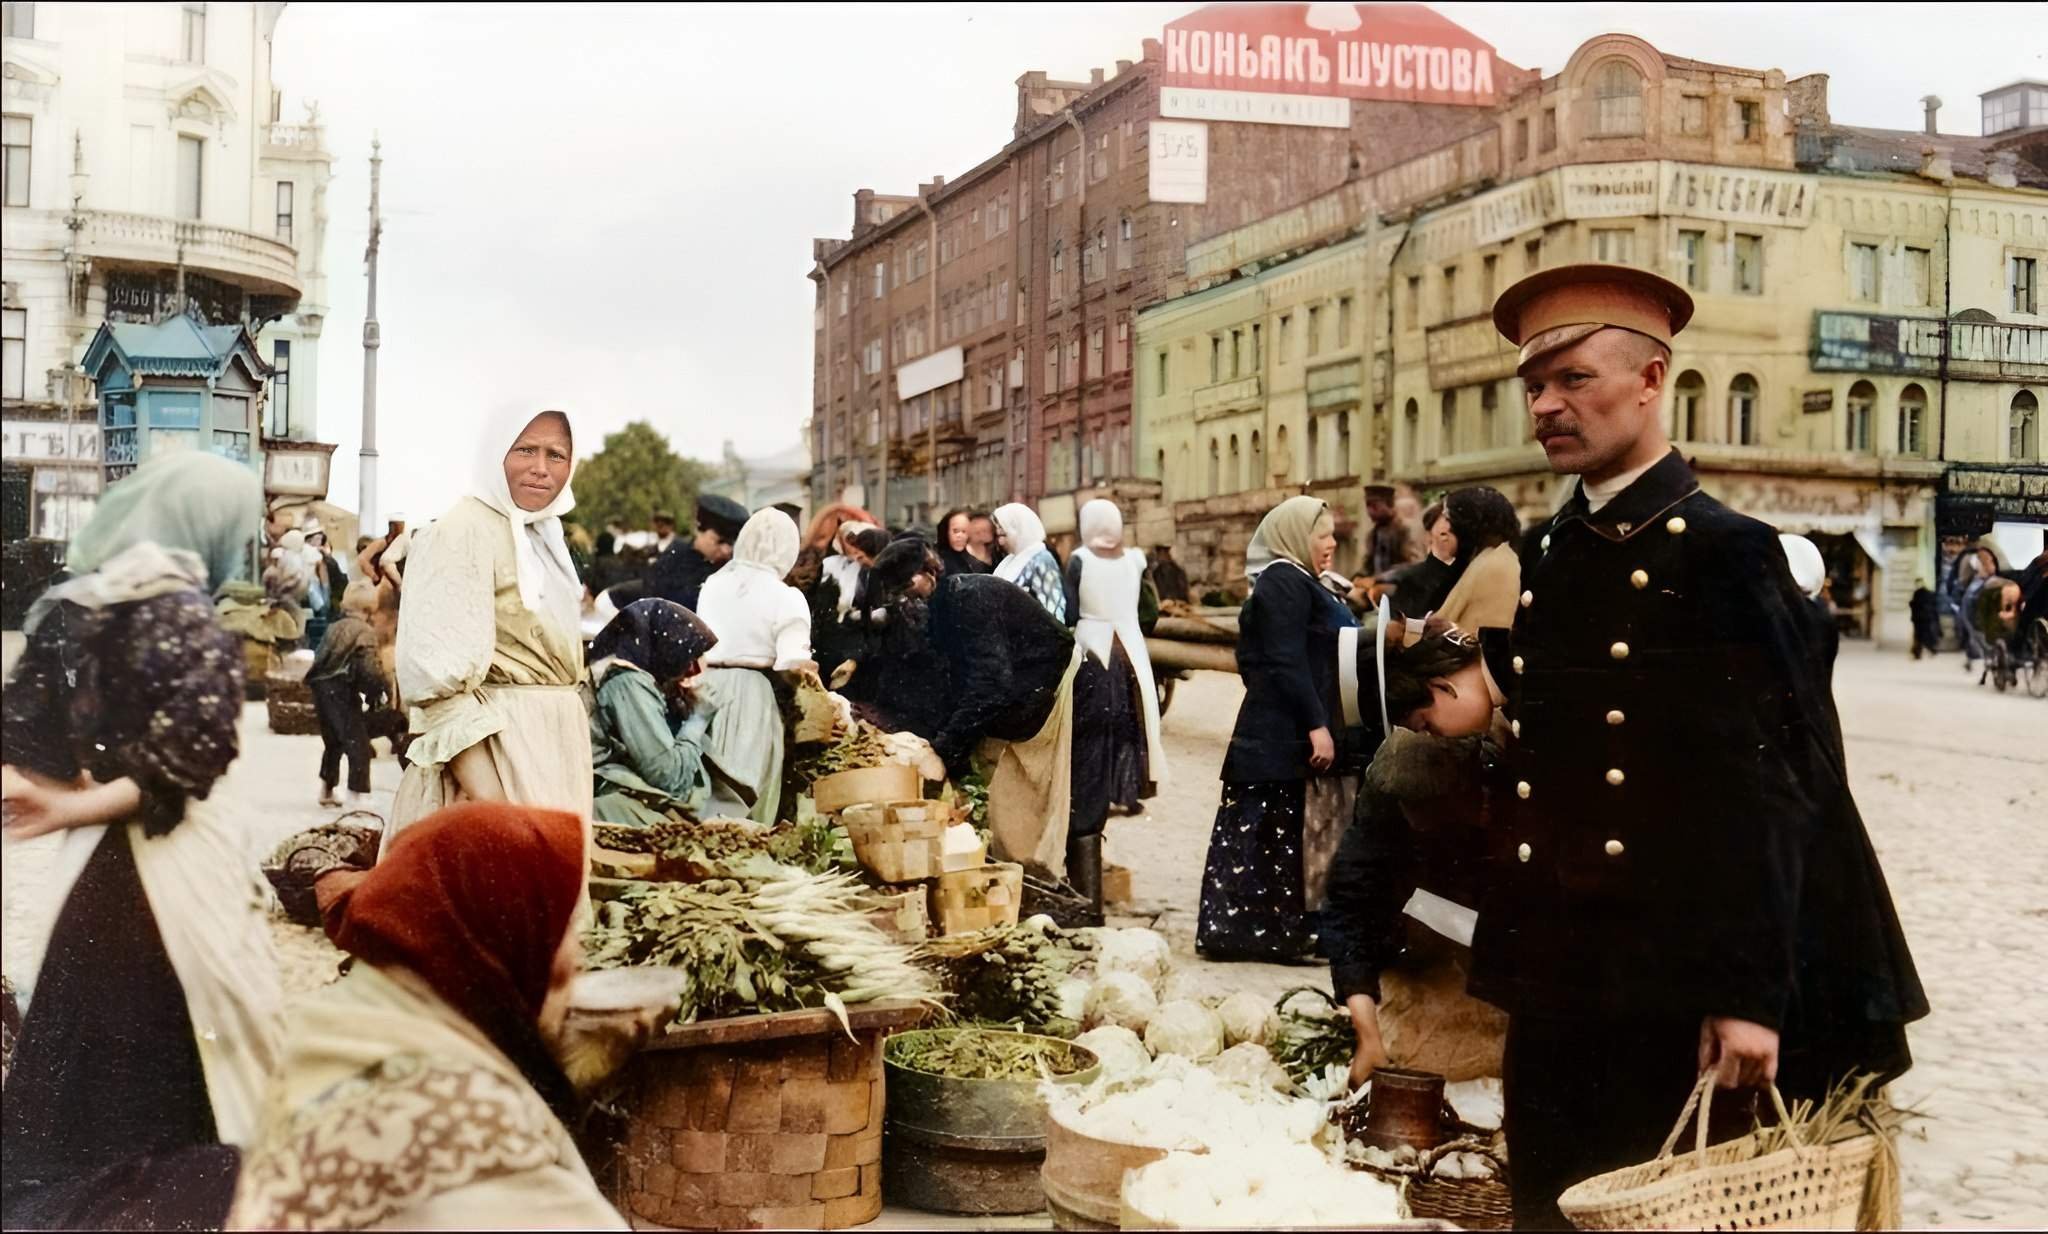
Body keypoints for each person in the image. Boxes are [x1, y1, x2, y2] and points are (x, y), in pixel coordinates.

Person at [1483, 262, 1926, 1226]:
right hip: (1562, 976)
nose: (1547, 405)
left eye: (1574, 379)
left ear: (1652, 382)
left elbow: (1778, 789)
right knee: (1546, 1207)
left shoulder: (1727, 553)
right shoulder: (1551, 552)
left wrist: (1750, 994)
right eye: (1534, 385)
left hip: (1674, 984)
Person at [1, 451, 284, 1230]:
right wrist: (76, 810)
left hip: (91, 885)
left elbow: (26, 744)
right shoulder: (187, 617)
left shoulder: (72, 610)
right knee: (185, 1066)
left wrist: (63, 800)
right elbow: (186, 760)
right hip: (177, 880)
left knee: (78, 1068)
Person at [229, 803, 626, 1230]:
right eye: (560, 927)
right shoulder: (477, 1137)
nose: (578, 956)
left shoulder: (329, 1028)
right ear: (499, 943)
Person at [389, 407, 591, 844]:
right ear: (495, 453)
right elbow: (438, 689)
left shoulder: (544, 536)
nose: (541, 468)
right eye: (525, 450)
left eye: (556, 455)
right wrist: (494, 806)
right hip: (497, 764)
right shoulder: (462, 531)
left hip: (550, 758)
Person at [1325, 623, 1509, 1091]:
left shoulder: (1504, 781)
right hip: (1430, 955)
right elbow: (1350, 902)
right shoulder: (1390, 795)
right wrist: (1367, 1029)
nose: (1424, 823)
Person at [1197, 496, 1364, 963]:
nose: (1331, 543)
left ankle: (1270, 933)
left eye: (1332, 534)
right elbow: (1284, 659)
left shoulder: (1297, 581)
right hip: (1279, 732)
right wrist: (1316, 724)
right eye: (1322, 535)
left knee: (1275, 833)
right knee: (1267, 833)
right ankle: (1252, 935)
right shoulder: (1285, 583)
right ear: (1296, 537)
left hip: (1279, 729)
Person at [872, 539, 1079, 878]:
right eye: (896, 593)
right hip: (1017, 691)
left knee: (1029, 802)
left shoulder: (970, 598)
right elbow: (952, 678)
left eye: (908, 586)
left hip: (1050, 684)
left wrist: (945, 747)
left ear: (929, 572)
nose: (904, 598)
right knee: (1004, 799)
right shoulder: (939, 608)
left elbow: (990, 683)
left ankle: (1043, 881)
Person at [1062, 500, 1168, 920]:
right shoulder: (1137, 561)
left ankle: (1085, 880)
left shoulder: (1080, 559)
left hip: (1092, 648)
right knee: (1128, 733)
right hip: (1130, 652)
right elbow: (1150, 612)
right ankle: (1124, 790)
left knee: (1089, 747)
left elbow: (1070, 611)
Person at [694, 508, 815, 826]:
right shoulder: (785, 597)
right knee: (748, 783)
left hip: (708, 688)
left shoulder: (713, 585)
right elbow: (794, 662)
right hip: (753, 694)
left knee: (710, 781)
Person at [586, 600, 720, 827]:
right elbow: (667, 776)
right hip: (608, 801)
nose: (693, 669)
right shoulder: (628, 682)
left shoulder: (635, 675)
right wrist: (697, 719)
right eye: (687, 655)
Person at [310, 581, 388, 809]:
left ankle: (327, 788)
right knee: (358, 742)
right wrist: (379, 689)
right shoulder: (364, 632)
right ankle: (358, 793)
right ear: (369, 609)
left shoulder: (334, 627)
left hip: (320, 688)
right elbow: (369, 669)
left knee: (333, 742)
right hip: (342, 690)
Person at [1432, 486, 1524, 633]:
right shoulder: (1483, 558)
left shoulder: (1498, 564)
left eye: (1450, 520)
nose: (1444, 531)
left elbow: (1489, 642)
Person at [646, 494, 748, 612]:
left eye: (731, 544)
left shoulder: (733, 568)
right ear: (699, 529)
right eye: (720, 541)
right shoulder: (673, 559)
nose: (726, 550)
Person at [992, 502, 1067, 621]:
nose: (1001, 542)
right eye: (998, 536)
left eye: (1004, 535)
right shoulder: (1009, 561)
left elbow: (1053, 610)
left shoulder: (1041, 560)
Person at [1385, 503, 1458, 619]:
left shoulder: (1470, 573)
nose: (1449, 539)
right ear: (1428, 537)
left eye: (1455, 532)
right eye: (1443, 534)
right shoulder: (1411, 580)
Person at [1362, 484, 1422, 578]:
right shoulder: (1373, 535)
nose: (1370, 511)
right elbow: (1369, 566)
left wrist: (1385, 576)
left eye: (1374, 506)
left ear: (1389, 504)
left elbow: (1414, 565)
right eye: (1368, 506)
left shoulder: (1404, 531)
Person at [936, 507, 992, 577]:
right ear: (946, 531)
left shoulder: (984, 561)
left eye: (964, 531)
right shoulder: (938, 560)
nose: (960, 536)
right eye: (955, 531)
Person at [1908, 578, 1941, 660]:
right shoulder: (1929, 593)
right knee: (1924, 635)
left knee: (1919, 636)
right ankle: (1929, 649)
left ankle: (1919, 652)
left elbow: (1914, 605)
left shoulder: (1917, 593)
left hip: (1919, 618)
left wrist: (1911, 604)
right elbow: (1933, 607)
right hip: (1926, 618)